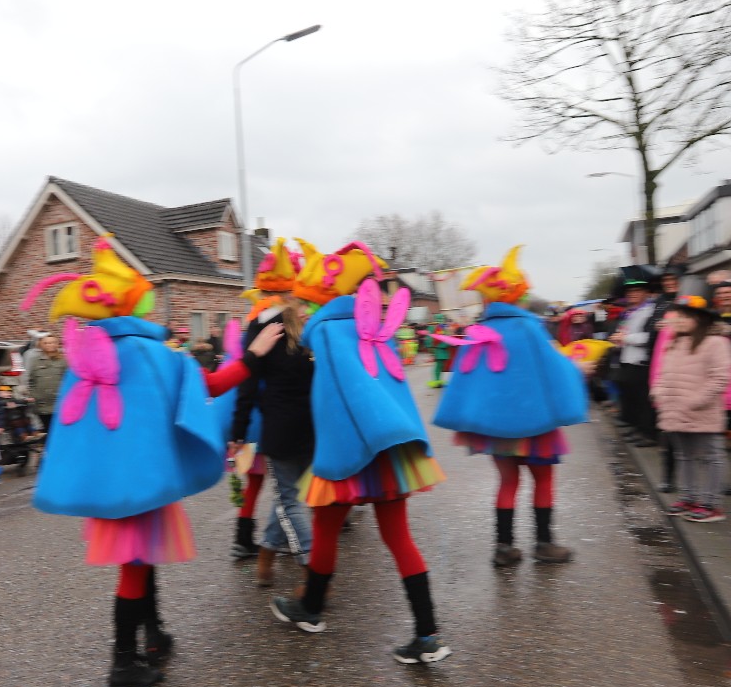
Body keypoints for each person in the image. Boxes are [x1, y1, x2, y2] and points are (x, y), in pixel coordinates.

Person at [22, 237, 284, 687]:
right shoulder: (158, 354)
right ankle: (123, 665)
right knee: (134, 566)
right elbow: (213, 384)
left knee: (140, 557)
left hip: (110, 481)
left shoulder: (87, 356)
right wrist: (255, 353)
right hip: (144, 478)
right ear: (136, 303)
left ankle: (154, 633)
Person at [269, 242, 452, 665]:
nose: (302, 309)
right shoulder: (375, 327)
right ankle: (427, 634)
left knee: (326, 528)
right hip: (390, 449)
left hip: (349, 449)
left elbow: (339, 394)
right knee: (396, 536)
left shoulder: (328, 332)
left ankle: (311, 609)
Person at [432, 246, 587, 565]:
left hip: (498, 428)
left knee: (507, 482)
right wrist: (578, 371)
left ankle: (504, 548)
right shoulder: (528, 327)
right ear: (518, 295)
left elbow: (466, 377)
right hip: (537, 424)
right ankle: (544, 544)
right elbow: (554, 366)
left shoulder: (479, 331)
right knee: (543, 480)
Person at [230, 247, 315, 583]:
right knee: (290, 496)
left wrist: (237, 432)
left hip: (280, 428)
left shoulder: (261, 327)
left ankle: (315, 573)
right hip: (311, 426)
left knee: (289, 500)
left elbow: (247, 384)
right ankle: (265, 559)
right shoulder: (308, 325)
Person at [650, 295, 731, 524]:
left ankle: (711, 504)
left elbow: (720, 378)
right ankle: (689, 498)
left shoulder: (716, 342)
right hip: (674, 411)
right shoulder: (674, 342)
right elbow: (662, 373)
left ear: (700, 319)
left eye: (685, 316)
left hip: (702, 412)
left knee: (711, 457)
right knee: (684, 456)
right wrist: (659, 393)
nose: (678, 320)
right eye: (677, 315)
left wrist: (695, 401)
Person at [610, 269, 659, 446]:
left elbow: (649, 337)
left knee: (644, 400)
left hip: (641, 361)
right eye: (630, 291)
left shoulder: (651, 310)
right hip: (627, 359)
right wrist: (618, 338)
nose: (632, 294)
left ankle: (649, 433)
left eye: (637, 291)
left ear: (646, 293)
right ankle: (639, 428)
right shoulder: (630, 312)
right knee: (633, 399)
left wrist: (625, 338)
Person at [23, 332, 66, 441]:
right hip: (42, 404)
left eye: (52, 342)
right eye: (46, 343)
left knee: (60, 431)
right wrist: (32, 395)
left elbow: (69, 380)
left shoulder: (64, 360)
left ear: (57, 344)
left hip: (59, 403)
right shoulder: (35, 361)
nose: (49, 345)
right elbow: (29, 379)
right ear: (41, 345)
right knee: (48, 430)